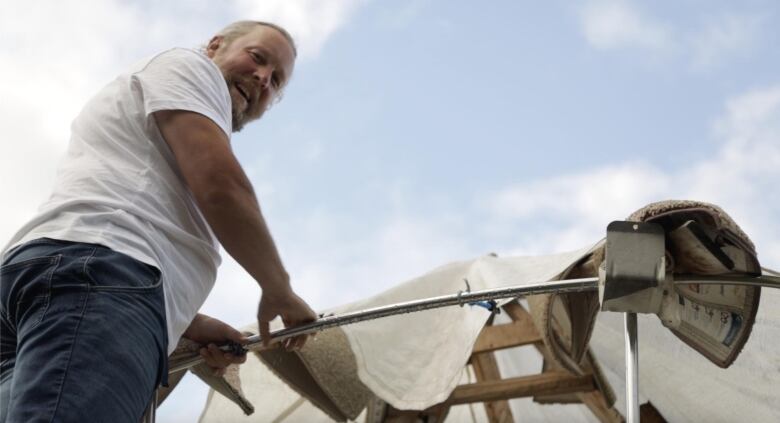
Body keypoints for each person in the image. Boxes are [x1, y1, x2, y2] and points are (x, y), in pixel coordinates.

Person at [0, 20, 317, 422]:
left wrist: (186, 323)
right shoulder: (190, 68)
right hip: (100, 279)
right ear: (215, 44)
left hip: (62, 280)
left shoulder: (157, 118)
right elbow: (220, 185)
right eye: (257, 58)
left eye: (276, 82)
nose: (263, 78)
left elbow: (127, 206)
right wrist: (279, 289)